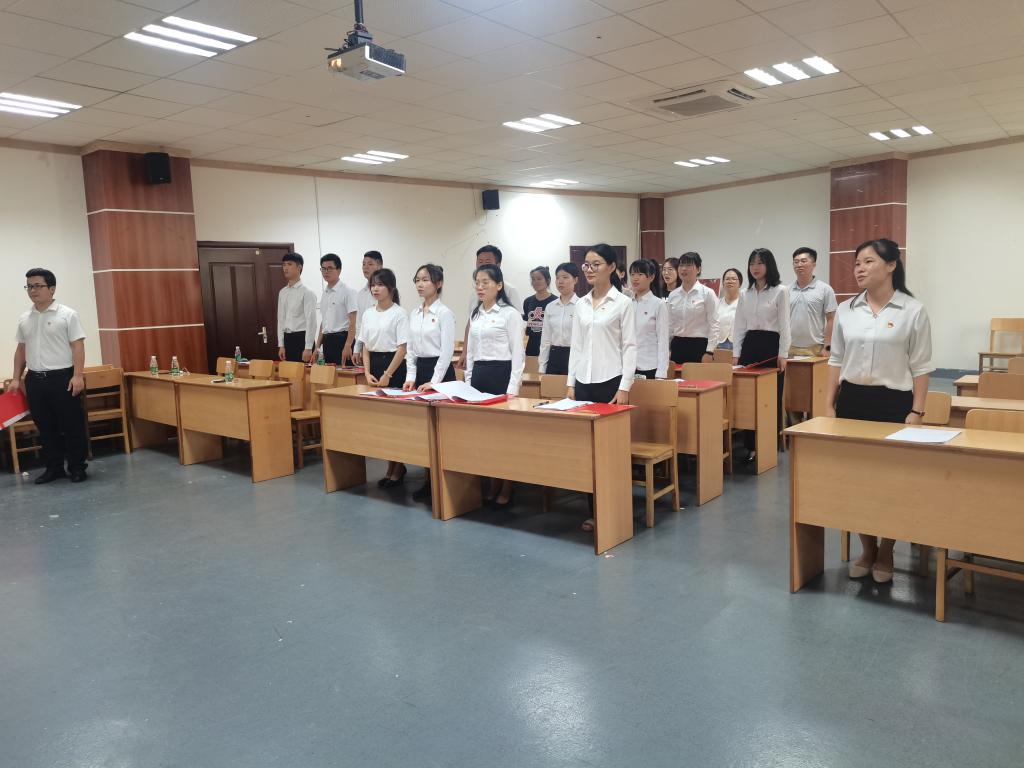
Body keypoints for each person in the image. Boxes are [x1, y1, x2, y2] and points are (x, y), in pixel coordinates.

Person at [827, 238, 932, 584]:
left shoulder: (912, 310)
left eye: (868, 261)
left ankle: (887, 549)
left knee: (891, 482)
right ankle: (867, 548)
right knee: (856, 481)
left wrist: (917, 412)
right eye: (857, 262)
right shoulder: (846, 309)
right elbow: (836, 360)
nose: (859, 268)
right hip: (853, 402)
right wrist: (829, 406)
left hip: (894, 405)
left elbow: (921, 366)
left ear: (891, 266)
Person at [567, 244, 637, 532]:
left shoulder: (623, 303)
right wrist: (570, 383)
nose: (590, 270)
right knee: (589, 451)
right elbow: (576, 346)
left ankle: (615, 508)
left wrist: (625, 386)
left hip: (611, 383)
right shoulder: (581, 304)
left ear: (612, 267)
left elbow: (629, 346)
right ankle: (593, 510)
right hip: (583, 383)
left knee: (611, 450)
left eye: (596, 264)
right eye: (586, 265)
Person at [11, 268, 88, 484]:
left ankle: (77, 467)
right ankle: (54, 468)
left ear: (52, 289)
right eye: (29, 286)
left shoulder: (67, 314)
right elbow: (21, 350)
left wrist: (78, 375)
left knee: (72, 425)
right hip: (35, 380)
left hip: (62, 378)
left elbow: (78, 346)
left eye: (38, 286)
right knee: (45, 426)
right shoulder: (25, 318)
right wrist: (16, 378)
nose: (32, 290)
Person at [465, 263, 525, 508]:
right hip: (479, 377)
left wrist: (513, 389)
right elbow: (471, 353)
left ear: (499, 285)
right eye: (477, 283)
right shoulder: (476, 314)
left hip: (501, 375)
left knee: (504, 436)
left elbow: (518, 353)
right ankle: (491, 481)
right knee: (484, 436)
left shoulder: (510, 314)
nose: (480, 287)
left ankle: (507, 484)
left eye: (485, 282)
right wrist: (468, 383)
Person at [403, 263, 457, 503]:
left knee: (442, 432)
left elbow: (446, 353)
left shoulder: (444, 313)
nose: (420, 284)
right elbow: (411, 350)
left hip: (441, 374)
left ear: (438, 283)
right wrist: (410, 378)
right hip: (421, 371)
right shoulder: (414, 313)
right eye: (417, 280)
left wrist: (435, 382)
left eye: (425, 279)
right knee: (425, 432)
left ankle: (445, 480)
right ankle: (428, 479)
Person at [732, 248, 790, 464]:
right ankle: (750, 446)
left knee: (770, 398)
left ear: (769, 265)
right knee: (748, 398)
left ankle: (767, 444)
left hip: (771, 345)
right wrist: (736, 354)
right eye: (752, 263)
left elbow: (785, 325)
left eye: (760, 263)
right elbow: (739, 325)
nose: (755, 268)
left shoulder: (780, 291)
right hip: (750, 345)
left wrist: (783, 353)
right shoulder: (745, 293)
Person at [357, 267, 409, 488]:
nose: (375, 289)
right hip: (375, 366)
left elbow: (402, 348)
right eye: (373, 285)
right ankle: (391, 465)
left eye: (380, 285)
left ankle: (398, 467)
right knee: (383, 423)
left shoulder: (399, 313)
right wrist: (367, 372)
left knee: (395, 422)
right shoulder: (368, 313)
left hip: (394, 368)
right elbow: (365, 347)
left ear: (391, 288)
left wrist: (388, 374)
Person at [457, 245, 522, 369]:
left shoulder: (510, 291)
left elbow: (517, 327)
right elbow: (471, 323)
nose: (482, 265)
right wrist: (465, 351)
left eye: (487, 262)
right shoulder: (474, 294)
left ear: (498, 264)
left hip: (500, 360)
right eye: (480, 262)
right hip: (478, 358)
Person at [667, 251, 719, 365]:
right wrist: (667, 349)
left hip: (699, 346)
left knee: (697, 377)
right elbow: (670, 325)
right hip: (677, 345)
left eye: (689, 265)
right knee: (676, 377)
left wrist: (710, 352)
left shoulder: (707, 293)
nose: (683, 269)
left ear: (698, 269)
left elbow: (714, 324)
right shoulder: (673, 295)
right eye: (681, 265)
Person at [789, 247, 838, 357]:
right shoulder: (786, 290)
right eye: (796, 262)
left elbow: (832, 320)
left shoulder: (825, 289)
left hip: (816, 349)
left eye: (803, 261)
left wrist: (827, 347)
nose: (799, 265)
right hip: (789, 349)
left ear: (814, 264)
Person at [538, 262, 580, 376]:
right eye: (557, 278)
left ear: (575, 280)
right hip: (554, 356)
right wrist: (542, 366)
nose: (560, 281)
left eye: (565, 277)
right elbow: (546, 339)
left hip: (575, 356)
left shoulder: (582, 305)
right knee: (551, 387)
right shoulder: (550, 307)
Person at [629, 259, 669, 379]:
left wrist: (661, 373)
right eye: (632, 274)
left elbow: (663, 341)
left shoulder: (658, 305)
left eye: (640, 274)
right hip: (627, 366)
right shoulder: (626, 304)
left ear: (651, 277)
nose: (635, 278)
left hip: (650, 366)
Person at [315, 253, 357, 365]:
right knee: (330, 374)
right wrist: (317, 347)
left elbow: (353, 321)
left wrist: (348, 345)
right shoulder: (325, 293)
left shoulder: (348, 291)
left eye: (330, 268)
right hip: (327, 341)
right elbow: (323, 323)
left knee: (345, 374)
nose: (326, 272)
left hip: (343, 340)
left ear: (339, 270)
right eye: (323, 269)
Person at [277, 252, 317, 363]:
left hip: (302, 339)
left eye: (289, 264)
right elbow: (280, 320)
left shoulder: (307, 293)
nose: (285, 268)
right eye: (284, 265)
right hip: (287, 339)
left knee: (305, 372)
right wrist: (281, 345)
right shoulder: (282, 292)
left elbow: (311, 322)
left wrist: (308, 347)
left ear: (299, 268)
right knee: (289, 372)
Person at [353, 250, 383, 360]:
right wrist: (357, 348)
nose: (366, 267)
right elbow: (359, 323)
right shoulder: (361, 294)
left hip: (384, 347)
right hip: (367, 348)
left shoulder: (388, 292)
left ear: (380, 267)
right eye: (363, 264)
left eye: (370, 264)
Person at [522, 266, 555, 359]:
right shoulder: (528, 301)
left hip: (549, 347)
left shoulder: (555, 302)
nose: (536, 282)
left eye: (539, 279)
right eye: (533, 279)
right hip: (532, 346)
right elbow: (526, 324)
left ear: (548, 280)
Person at [716, 267, 743, 351]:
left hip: (738, 345)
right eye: (727, 279)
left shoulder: (745, 303)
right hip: (718, 344)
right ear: (723, 283)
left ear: (740, 283)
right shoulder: (716, 303)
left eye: (734, 279)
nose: (730, 281)